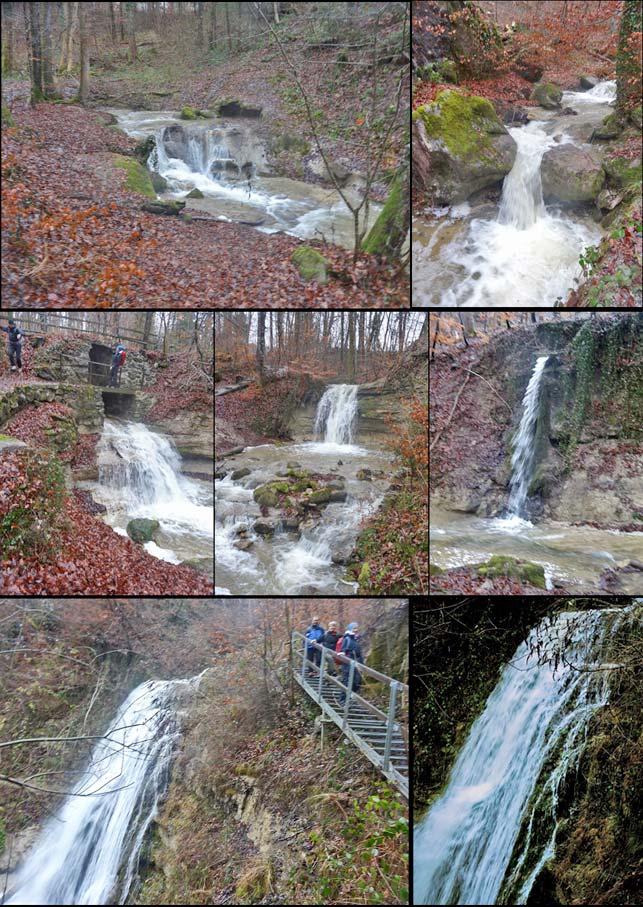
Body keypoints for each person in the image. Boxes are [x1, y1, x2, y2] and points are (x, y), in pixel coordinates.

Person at [339, 622, 363, 704]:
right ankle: (343, 700)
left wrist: (361, 664)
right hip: (348, 664)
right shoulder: (347, 639)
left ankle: (349, 697)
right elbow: (343, 650)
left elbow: (359, 654)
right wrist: (343, 654)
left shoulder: (357, 639)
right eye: (354, 628)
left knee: (357, 681)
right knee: (347, 681)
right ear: (350, 629)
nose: (356, 630)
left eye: (356, 628)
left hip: (356, 663)